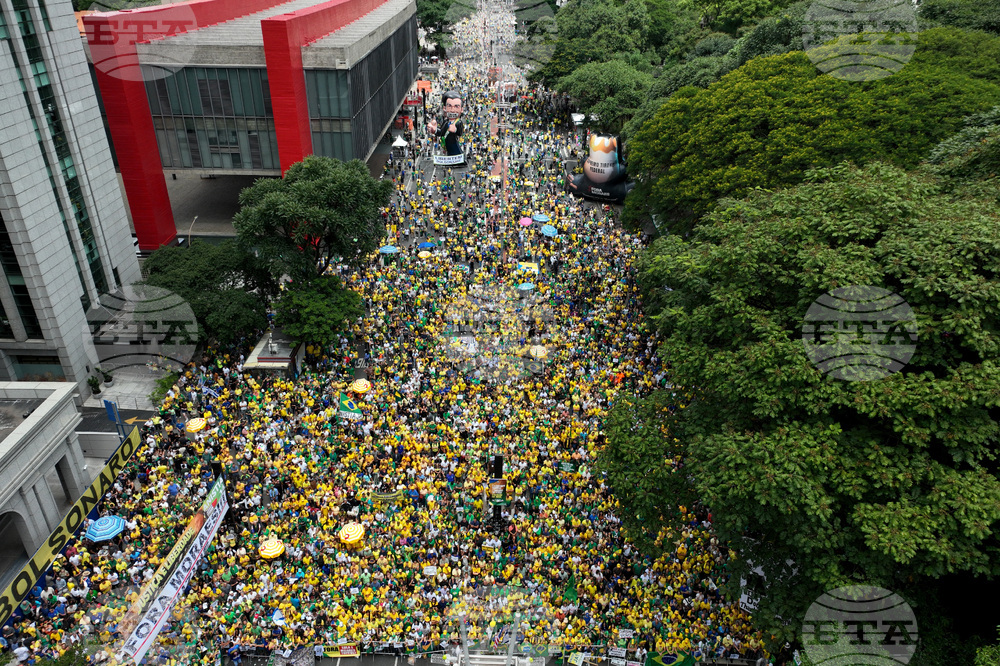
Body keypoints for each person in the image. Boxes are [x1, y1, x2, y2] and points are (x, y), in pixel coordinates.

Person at [428, 91, 465, 160]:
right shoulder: (446, 121)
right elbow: (442, 132)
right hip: (447, 148)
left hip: (455, 147)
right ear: (445, 108)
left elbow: (460, 132)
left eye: (456, 107)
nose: (453, 110)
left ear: (461, 109)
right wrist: (435, 130)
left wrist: (455, 130)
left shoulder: (458, 122)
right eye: (449, 106)